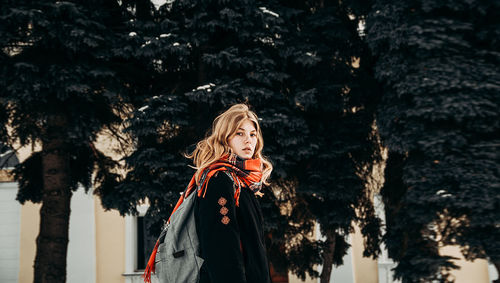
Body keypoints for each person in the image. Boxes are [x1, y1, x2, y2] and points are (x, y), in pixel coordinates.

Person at [185, 103, 273, 283]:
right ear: (225, 138)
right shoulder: (219, 179)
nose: (248, 140)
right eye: (239, 133)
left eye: (252, 134)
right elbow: (221, 248)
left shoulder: (242, 182)